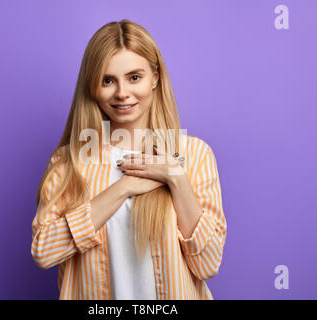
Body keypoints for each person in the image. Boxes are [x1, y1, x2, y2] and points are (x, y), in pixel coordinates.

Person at [30, 19, 227, 300]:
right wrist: (123, 188)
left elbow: (208, 264)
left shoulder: (195, 155)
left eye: (134, 77)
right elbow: (44, 252)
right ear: (92, 87)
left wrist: (176, 179)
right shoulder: (68, 163)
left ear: (155, 78)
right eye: (107, 80)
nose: (122, 93)